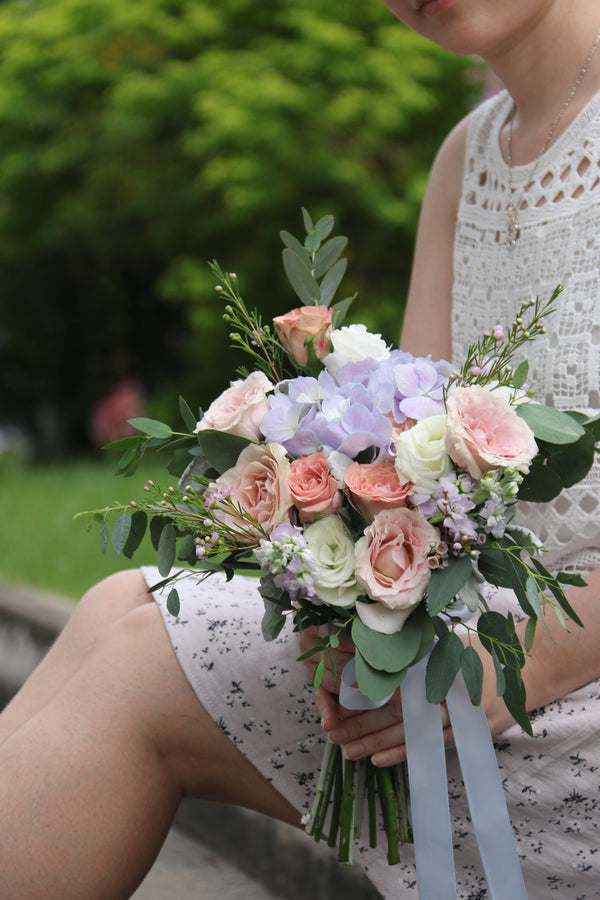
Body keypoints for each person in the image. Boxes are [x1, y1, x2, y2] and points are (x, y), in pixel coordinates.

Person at [2, 1, 600, 897]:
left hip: (562, 674)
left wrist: (504, 662)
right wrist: (341, 606)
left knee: (137, 673)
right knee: (113, 608)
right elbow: (401, 462)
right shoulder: (466, 160)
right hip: (478, 632)